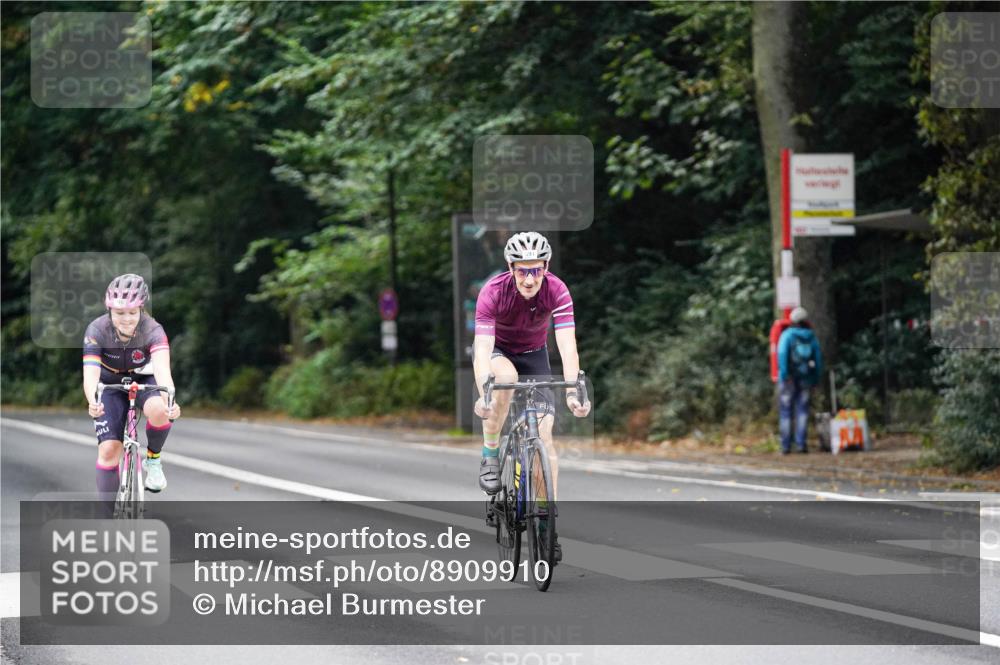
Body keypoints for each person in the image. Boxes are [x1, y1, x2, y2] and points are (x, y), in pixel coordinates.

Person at [472, 231, 591, 563]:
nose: (529, 278)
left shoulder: (557, 290)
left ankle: (545, 524)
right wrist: (485, 392)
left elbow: (567, 346)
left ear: (546, 267)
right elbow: (482, 348)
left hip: (535, 355)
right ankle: (490, 455)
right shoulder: (493, 292)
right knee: (505, 379)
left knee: (545, 436)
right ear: (510, 268)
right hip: (498, 353)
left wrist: (572, 392)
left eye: (535, 270)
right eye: (522, 270)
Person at [82, 274, 181, 506]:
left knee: (159, 410)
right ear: (109, 310)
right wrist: (93, 400)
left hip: (143, 376)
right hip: (109, 383)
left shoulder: (153, 330)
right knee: (108, 450)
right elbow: (91, 374)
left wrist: (170, 401)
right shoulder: (96, 330)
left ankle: (153, 460)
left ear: (141, 309)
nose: (126, 319)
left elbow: (163, 371)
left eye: (132, 313)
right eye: (119, 313)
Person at [776, 306, 822, 454]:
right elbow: (818, 359)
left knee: (785, 411)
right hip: (806, 378)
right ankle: (801, 444)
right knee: (802, 411)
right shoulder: (811, 336)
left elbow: (782, 354)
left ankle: (786, 446)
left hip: (788, 379)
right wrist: (815, 377)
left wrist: (784, 374)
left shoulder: (787, 335)